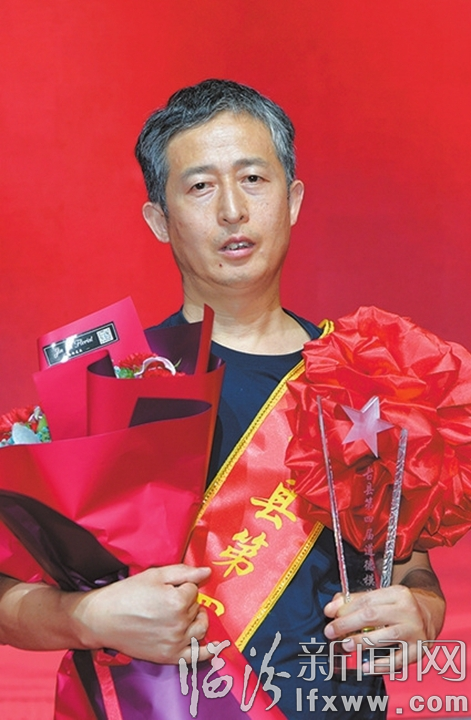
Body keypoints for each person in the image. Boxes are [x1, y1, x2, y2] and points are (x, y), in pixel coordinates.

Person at [0, 79, 445, 718]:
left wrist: (422, 608)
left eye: (253, 179)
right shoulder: (110, 386)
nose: (233, 210)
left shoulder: (368, 378)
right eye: (201, 187)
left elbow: (408, 566)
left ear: (293, 200)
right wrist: (86, 616)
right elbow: (8, 598)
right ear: (160, 219)